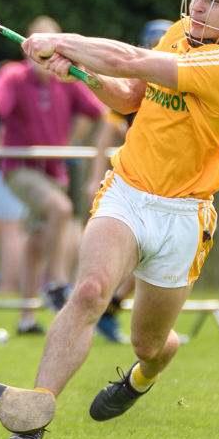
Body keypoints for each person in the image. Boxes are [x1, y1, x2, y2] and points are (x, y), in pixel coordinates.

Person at [5, 0, 219, 439]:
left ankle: (144, 374)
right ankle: (34, 414)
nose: (198, 7)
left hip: (183, 216)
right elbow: (127, 95)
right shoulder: (180, 34)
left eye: (214, 1)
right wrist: (80, 73)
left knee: (149, 343)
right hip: (127, 190)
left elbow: (128, 60)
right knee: (89, 292)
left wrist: (62, 41)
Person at [0, 16, 104, 336]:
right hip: (20, 170)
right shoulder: (14, 75)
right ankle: (57, 282)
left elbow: (103, 111)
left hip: (55, 171)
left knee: (33, 243)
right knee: (59, 208)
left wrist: (76, 136)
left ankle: (26, 319)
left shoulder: (67, 79)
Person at [82, 19, 174, 344]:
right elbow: (103, 137)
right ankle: (96, 305)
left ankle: (113, 310)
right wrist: (94, 178)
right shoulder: (136, 86)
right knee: (114, 258)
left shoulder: (180, 84)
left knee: (151, 260)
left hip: (168, 190)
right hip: (129, 184)